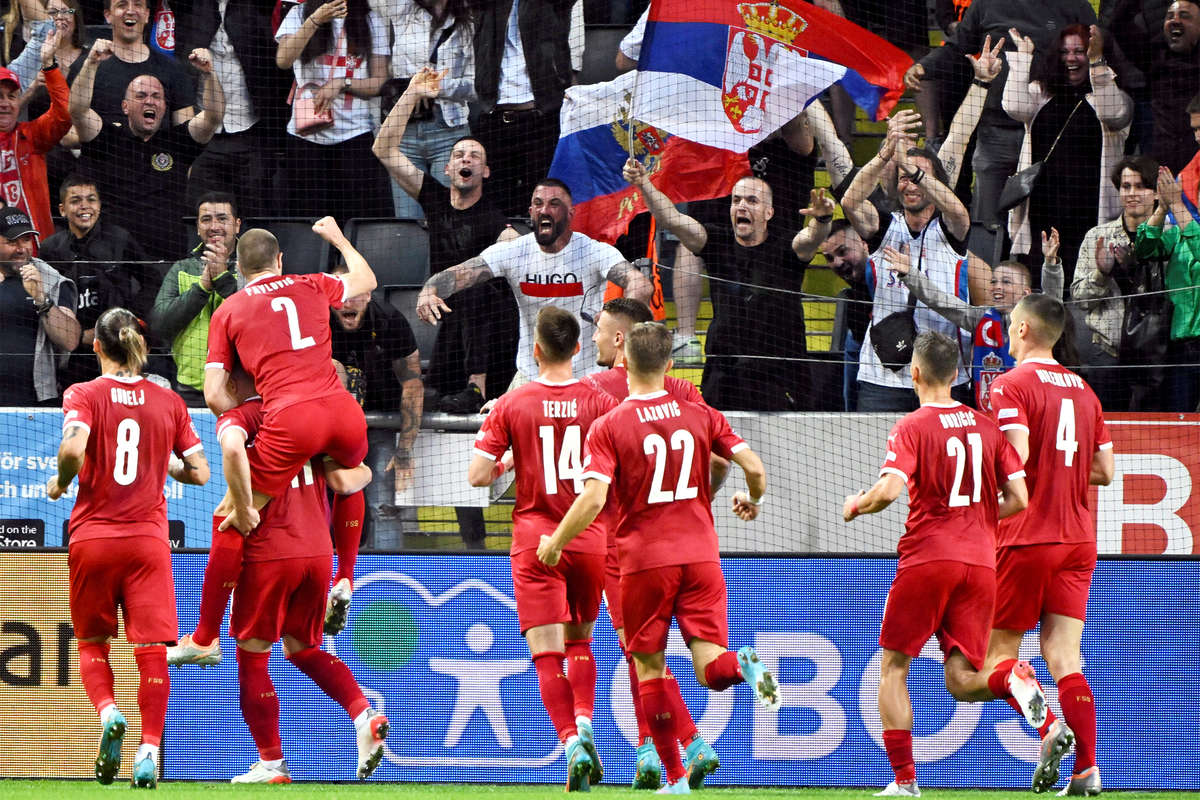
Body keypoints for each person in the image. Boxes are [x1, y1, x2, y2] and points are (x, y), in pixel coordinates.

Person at [536, 322, 778, 795]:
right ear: (670, 365)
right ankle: (741, 663)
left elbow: (592, 499)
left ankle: (676, 778)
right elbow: (752, 466)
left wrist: (557, 540)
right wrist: (754, 500)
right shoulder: (701, 413)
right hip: (702, 556)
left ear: (624, 361)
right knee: (710, 667)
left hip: (645, 560)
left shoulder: (610, 425)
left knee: (648, 668)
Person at [841, 331, 1046, 798]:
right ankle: (1016, 683)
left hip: (929, 558)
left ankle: (905, 781)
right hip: (982, 564)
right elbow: (1019, 498)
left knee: (894, 667)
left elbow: (889, 491)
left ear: (913, 373)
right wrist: (978, 519)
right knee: (962, 680)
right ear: (956, 374)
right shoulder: (987, 428)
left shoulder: (912, 426)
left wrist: (856, 505)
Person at [45, 307, 209, 788]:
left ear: (96, 345)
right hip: (148, 543)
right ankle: (149, 750)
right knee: (152, 649)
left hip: (94, 539)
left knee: (92, 643)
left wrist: (61, 482)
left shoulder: (83, 394)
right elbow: (200, 472)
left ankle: (108, 712)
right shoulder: (168, 400)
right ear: (139, 344)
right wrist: (163, 464)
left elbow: (72, 450)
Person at [468, 307, 614, 791]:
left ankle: (570, 742)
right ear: (578, 348)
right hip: (588, 537)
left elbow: (477, 476)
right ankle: (586, 721)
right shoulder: (600, 400)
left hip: (535, 539)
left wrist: (510, 461)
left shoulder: (513, 403)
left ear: (535, 350)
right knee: (580, 643)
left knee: (547, 655)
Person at [581, 297, 724, 791]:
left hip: (621, 547)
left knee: (641, 655)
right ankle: (665, 750)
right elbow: (719, 456)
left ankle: (676, 749)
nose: (593, 337)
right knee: (660, 656)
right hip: (689, 542)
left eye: (600, 329)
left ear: (621, 340)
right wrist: (701, 501)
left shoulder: (594, 388)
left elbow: (547, 408)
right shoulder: (683, 391)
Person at [212, 393, 388, 784]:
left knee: (252, 658)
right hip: (318, 552)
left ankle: (271, 763)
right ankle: (363, 715)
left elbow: (233, 461)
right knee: (303, 648)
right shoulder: (313, 419)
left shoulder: (248, 419)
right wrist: (367, 472)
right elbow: (344, 482)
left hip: (270, 550)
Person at [987, 293, 1115, 795]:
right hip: (1078, 539)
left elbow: (1015, 455)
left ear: (1022, 330)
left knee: (997, 657)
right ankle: (1087, 770)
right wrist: (1064, 470)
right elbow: (1105, 470)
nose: (1007, 330)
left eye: (1010, 323)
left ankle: (1048, 728)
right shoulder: (1085, 391)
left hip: (1025, 537)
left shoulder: (1009, 385)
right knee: (1065, 656)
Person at [202, 217, 374, 537]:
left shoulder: (227, 310)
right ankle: (347, 563)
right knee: (344, 477)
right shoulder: (313, 283)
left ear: (239, 268)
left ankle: (217, 577)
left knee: (233, 514)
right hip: (341, 413)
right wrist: (338, 239)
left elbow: (213, 395)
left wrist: (252, 420)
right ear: (280, 260)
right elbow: (367, 280)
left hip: (289, 421)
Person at [625, 159, 833, 411]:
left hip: (780, 375)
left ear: (769, 213)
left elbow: (811, 238)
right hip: (724, 374)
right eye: (736, 200)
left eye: (752, 201)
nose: (742, 206)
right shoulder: (716, 241)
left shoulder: (786, 246)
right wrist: (643, 183)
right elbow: (672, 219)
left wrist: (823, 220)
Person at [372, 67, 519, 408]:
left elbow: (513, 245)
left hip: (493, 331)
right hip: (450, 323)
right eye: (458, 155)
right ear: (447, 169)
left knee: (475, 288)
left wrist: (509, 241)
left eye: (474, 156)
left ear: (485, 171)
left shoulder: (492, 217)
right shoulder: (434, 198)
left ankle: (477, 387)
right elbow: (383, 149)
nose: (466, 158)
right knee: (433, 393)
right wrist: (412, 92)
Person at [415, 178, 652, 385]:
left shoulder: (593, 251)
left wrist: (618, 321)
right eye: (538, 204)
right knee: (501, 418)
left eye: (554, 204)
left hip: (586, 377)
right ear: (530, 211)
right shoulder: (514, 251)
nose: (544, 210)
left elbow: (639, 285)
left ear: (571, 214)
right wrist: (430, 288)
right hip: (531, 375)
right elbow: (461, 274)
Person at [901, 0, 1097, 245]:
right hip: (995, 130)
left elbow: (1096, 50)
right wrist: (923, 67)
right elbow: (957, 47)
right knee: (987, 222)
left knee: (1049, 219)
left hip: (1053, 132)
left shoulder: (1074, 5)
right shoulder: (986, 4)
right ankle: (986, 268)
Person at [842, 129, 973, 412]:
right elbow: (849, 202)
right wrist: (885, 154)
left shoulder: (951, 228)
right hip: (883, 378)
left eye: (918, 176)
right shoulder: (885, 226)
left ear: (935, 184)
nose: (911, 184)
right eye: (904, 177)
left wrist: (911, 168)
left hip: (945, 374)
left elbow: (958, 212)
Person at [1003, 25, 1132, 285]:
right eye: (1064, 52)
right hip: (1043, 209)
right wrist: (1023, 58)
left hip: (1090, 212)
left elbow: (1113, 114)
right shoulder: (1041, 93)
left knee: (1085, 285)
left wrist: (1097, 62)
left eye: (1080, 51)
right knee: (1042, 285)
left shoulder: (1113, 95)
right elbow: (1013, 107)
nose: (1071, 58)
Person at [71, 40, 225, 259]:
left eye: (156, 96)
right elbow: (78, 110)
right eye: (141, 96)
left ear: (164, 106)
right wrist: (91, 63)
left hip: (166, 258)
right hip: (114, 259)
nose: (150, 102)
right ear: (125, 106)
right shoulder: (106, 138)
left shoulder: (178, 142)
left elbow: (213, 117)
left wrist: (209, 74)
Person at [882, 229, 1065, 412]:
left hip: (1031, 406)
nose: (997, 287)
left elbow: (1053, 305)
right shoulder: (981, 317)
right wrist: (909, 274)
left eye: (1006, 282)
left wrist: (1050, 264)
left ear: (1025, 293)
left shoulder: (1036, 320)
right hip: (986, 409)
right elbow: (940, 301)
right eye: (993, 281)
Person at [329, 260, 423, 551]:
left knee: (383, 506)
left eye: (354, 293)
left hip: (379, 424)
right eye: (339, 294)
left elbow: (412, 384)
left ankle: (387, 574)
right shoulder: (315, 321)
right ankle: (330, 569)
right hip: (330, 432)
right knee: (328, 506)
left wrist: (404, 450)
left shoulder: (388, 320)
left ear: (368, 294)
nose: (346, 301)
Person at [274, 0, 392, 221]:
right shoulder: (299, 13)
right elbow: (283, 60)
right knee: (309, 219)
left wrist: (342, 83)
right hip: (306, 136)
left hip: (354, 135)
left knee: (354, 218)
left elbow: (379, 82)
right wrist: (315, 20)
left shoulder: (370, 19)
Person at [175, 0, 293, 217]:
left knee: (255, 215)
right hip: (204, 137)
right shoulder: (190, 10)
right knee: (206, 215)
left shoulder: (258, 10)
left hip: (251, 133)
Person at [39, 175, 154, 389]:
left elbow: (152, 280)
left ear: (99, 205)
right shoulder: (50, 249)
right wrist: (79, 335)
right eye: (76, 201)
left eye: (91, 199)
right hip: (74, 355)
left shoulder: (120, 239)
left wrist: (129, 320)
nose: (85, 206)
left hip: (119, 349)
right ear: (62, 209)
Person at [1072, 156, 1165, 410]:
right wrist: (1101, 273)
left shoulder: (1170, 236)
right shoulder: (1097, 237)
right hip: (1107, 353)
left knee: (1153, 430)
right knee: (1106, 427)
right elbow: (1080, 301)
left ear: (1157, 193)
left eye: (1141, 186)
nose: (1132, 193)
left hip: (1157, 355)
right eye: (1126, 186)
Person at [369, 0, 476, 220]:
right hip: (404, 132)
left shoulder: (468, 24)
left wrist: (437, 87)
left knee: (448, 215)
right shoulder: (402, 10)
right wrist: (413, 89)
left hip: (448, 131)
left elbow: (478, 87)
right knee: (408, 221)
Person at [470, 0, 574, 217]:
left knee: (541, 205)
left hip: (539, 120)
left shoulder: (549, 6)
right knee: (495, 207)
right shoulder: (489, 6)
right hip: (494, 120)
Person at [151, 192, 240, 405]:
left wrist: (223, 279)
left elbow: (260, 320)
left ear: (237, 225)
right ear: (198, 227)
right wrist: (202, 288)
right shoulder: (181, 268)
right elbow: (160, 324)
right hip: (189, 392)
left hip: (240, 389)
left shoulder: (252, 265)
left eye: (222, 218)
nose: (214, 226)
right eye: (206, 219)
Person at [1134, 164, 1200, 412]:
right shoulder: (1179, 234)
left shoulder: (1188, 228)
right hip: (1180, 347)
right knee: (1178, 418)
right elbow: (1144, 249)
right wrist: (1162, 208)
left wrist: (1177, 204)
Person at [0, 205, 80, 405]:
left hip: (36, 401)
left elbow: (70, 341)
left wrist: (41, 298)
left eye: (26, 240)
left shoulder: (52, 280)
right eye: (12, 242)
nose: (22, 249)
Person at [0, 26, 71, 242]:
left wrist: (49, 65)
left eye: (12, 96)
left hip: (36, 251)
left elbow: (63, 115)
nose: (5, 104)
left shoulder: (30, 137)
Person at [89, 0, 197, 125]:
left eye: (137, 4)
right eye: (122, 5)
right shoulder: (88, 67)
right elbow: (74, 130)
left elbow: (185, 132)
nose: (130, 11)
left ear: (146, 15)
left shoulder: (174, 69)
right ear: (108, 15)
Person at [819, 220, 873, 411]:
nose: (837, 262)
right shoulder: (853, 304)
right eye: (829, 258)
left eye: (843, 251)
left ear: (864, 244)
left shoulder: (886, 277)